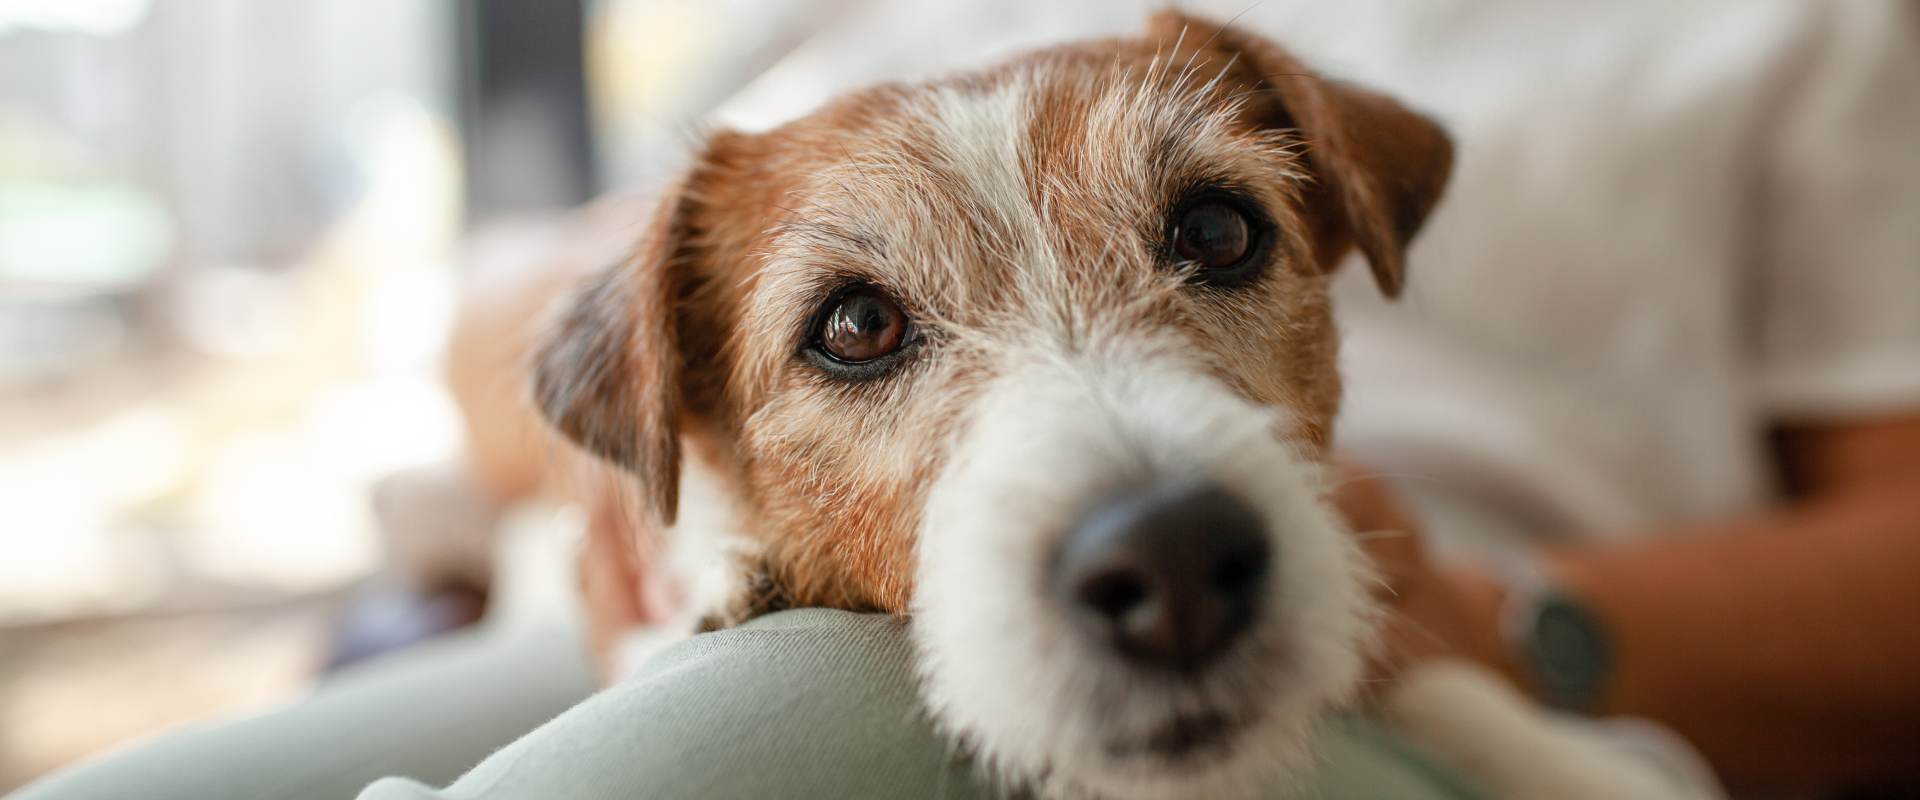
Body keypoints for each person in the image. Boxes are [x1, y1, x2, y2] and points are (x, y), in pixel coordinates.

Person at [11, 1, 1919, 798]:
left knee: (780, 701)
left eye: (1216, 239)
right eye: (863, 328)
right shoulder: (840, 54)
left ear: (1348, 240)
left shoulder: (1796, 27)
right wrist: (650, 453)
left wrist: (1518, 630)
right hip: (722, 603)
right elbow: (512, 334)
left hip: (1434, 621)